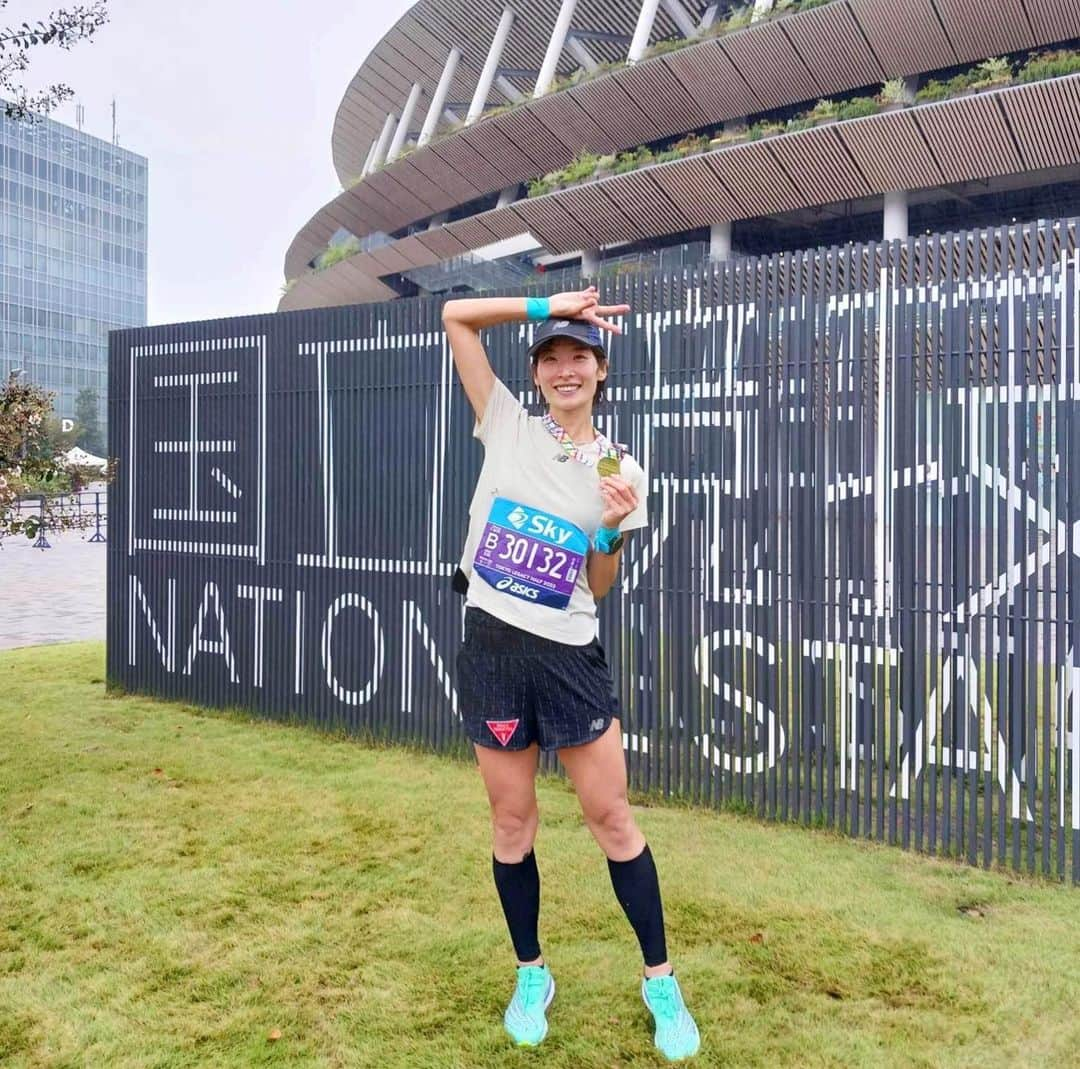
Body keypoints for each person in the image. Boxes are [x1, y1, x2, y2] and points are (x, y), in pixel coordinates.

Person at [442, 287, 700, 1062]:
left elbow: (595, 586)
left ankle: (661, 982)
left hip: (568, 656)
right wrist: (545, 302)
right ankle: (532, 974)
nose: (563, 369)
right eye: (550, 357)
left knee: (610, 817)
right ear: (535, 370)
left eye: (577, 356)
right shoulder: (507, 425)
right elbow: (456, 315)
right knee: (512, 823)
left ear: (600, 369)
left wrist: (613, 527)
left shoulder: (623, 469)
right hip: (491, 648)